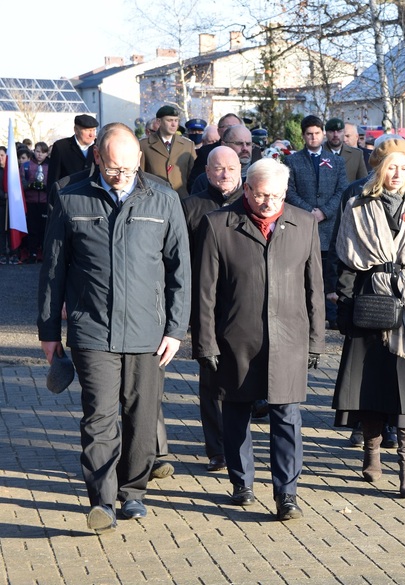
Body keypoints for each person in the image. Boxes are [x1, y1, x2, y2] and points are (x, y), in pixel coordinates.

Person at [38, 123, 191, 532]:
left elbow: (180, 270)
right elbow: (53, 270)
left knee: (141, 417)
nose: (121, 176)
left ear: (139, 160)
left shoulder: (162, 199)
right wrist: (49, 332)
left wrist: (176, 329)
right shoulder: (70, 197)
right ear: (98, 159)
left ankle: (133, 491)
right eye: (112, 168)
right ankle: (102, 503)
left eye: (128, 167)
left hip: (148, 331)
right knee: (99, 416)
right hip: (92, 329)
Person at [193, 158, 325, 520]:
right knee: (236, 412)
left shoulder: (303, 225)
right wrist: (205, 342)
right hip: (237, 337)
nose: (269, 202)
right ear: (246, 189)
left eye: (277, 195)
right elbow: (204, 292)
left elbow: (314, 288)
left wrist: (316, 340)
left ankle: (287, 493)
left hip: (289, 338)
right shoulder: (218, 225)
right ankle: (242, 482)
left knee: (287, 415)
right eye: (262, 194)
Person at [332, 138, 405, 498]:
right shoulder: (358, 204)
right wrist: (345, 307)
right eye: (391, 166)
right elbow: (344, 260)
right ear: (379, 168)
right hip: (370, 304)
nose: (397, 174)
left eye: (404, 167)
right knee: (372, 387)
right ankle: (372, 450)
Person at [181, 146, 244, 472]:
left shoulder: (250, 204)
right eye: (218, 169)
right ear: (207, 172)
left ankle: (241, 443)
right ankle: (217, 449)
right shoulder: (192, 207)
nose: (225, 174)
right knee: (212, 379)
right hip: (206, 304)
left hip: (244, 303)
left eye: (230, 169)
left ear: (240, 170)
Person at [286, 114, 348, 328]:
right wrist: (308, 211)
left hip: (329, 226)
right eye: (309, 134)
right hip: (303, 225)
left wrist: (324, 212)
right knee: (305, 272)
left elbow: (342, 190)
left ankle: (330, 314)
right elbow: (290, 190)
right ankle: (307, 313)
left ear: (323, 134)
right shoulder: (293, 160)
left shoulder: (337, 161)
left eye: (317, 133)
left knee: (328, 272)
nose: (313, 137)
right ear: (303, 136)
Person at [138, 105, 197, 198]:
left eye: (176, 121)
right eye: (169, 120)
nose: (174, 124)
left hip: (181, 200)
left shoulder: (188, 145)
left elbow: (193, 176)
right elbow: (140, 175)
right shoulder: (144, 145)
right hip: (154, 199)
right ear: (159, 121)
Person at [46, 114, 98, 187]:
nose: (91, 134)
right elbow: (53, 178)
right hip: (67, 195)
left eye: (94, 130)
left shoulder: (100, 146)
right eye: (87, 130)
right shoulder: (61, 147)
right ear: (76, 130)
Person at [21, 141, 49, 263]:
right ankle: (32, 253)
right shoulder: (26, 165)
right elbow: (22, 182)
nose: (40, 155)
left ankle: (43, 253)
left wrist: (45, 187)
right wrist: (30, 185)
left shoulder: (50, 165)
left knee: (44, 229)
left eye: (43, 152)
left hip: (44, 202)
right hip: (30, 201)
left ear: (47, 153)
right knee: (32, 229)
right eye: (37, 151)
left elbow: (54, 182)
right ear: (33, 151)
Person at [324, 118, 368, 182]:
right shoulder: (318, 152)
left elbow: (363, 182)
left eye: (339, 131)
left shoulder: (356, 154)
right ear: (326, 134)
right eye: (331, 131)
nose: (335, 135)